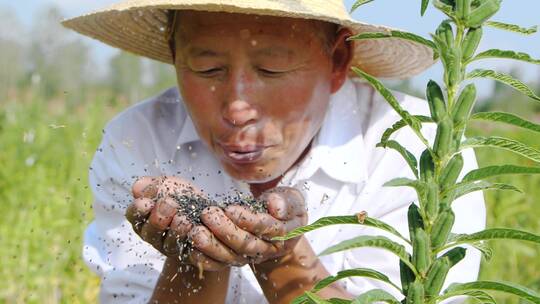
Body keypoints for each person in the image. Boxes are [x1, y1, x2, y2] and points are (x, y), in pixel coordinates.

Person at [62, 1, 486, 303]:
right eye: (208, 70)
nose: (237, 107)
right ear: (175, 56)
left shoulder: (419, 151)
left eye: (272, 70)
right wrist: (192, 261)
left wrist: (284, 252)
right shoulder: (137, 141)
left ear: (338, 61)